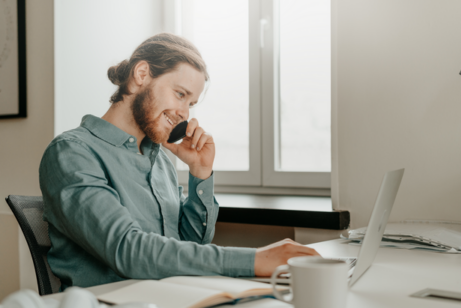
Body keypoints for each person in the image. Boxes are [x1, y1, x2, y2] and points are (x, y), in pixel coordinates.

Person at [39, 33, 319, 291]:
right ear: (141, 74)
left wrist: (200, 171)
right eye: (180, 94)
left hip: (172, 296)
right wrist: (255, 259)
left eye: (191, 104)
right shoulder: (72, 153)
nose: (184, 114)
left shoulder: (159, 159)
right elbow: (128, 250)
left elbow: (189, 247)